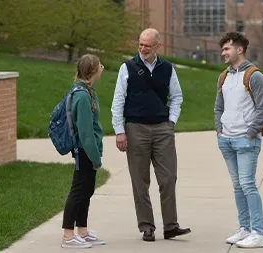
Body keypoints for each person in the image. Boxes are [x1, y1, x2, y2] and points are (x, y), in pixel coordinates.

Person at [111, 28, 191, 242]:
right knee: (140, 180)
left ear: (158, 46)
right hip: (135, 129)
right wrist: (119, 131)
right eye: (140, 44)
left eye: (147, 45)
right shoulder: (127, 67)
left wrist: (171, 122)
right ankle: (147, 227)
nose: (143, 48)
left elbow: (177, 97)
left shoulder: (167, 68)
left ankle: (171, 226)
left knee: (168, 178)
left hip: (162, 129)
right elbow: (118, 101)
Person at [214, 32, 263, 248]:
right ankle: (244, 228)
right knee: (238, 186)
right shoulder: (224, 76)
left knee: (248, 185)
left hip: (246, 141)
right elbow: (219, 106)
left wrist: (250, 133)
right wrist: (219, 130)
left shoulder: (254, 76)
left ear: (239, 49)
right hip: (226, 139)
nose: (223, 53)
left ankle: (258, 233)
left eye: (227, 49)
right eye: (222, 49)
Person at [61, 54, 106, 249]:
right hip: (84, 150)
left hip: (88, 149)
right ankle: (68, 235)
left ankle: (82, 231)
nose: (102, 68)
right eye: (100, 65)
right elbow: (86, 132)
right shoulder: (81, 95)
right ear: (93, 71)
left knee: (86, 190)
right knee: (78, 191)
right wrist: (96, 159)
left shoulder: (87, 91)